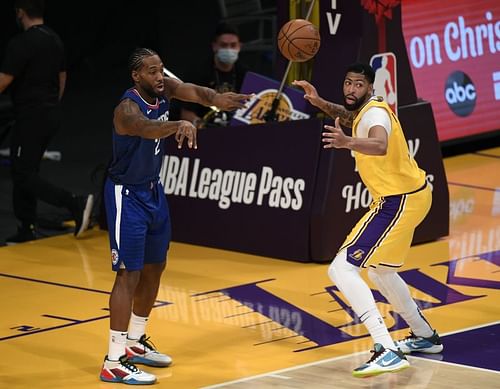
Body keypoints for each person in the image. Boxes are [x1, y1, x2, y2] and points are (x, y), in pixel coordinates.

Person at [99, 47, 251, 385]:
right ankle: (113, 359)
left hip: (153, 190)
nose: (159, 76)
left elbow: (194, 91)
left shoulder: (164, 86)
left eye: (161, 69)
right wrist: (177, 123)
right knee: (128, 275)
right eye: (152, 71)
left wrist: (218, 100)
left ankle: (136, 341)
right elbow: (144, 128)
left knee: (155, 267)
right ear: (136, 76)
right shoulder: (126, 109)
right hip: (127, 194)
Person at [293, 63, 443, 378]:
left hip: (398, 199)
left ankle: (385, 348)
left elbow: (379, 143)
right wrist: (319, 102)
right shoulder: (365, 109)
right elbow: (349, 115)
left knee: (341, 268)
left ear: (370, 87)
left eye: (358, 85)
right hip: (408, 195)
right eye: (348, 83)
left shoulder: (376, 115)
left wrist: (346, 142)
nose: (351, 90)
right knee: (381, 271)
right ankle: (424, 336)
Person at [0, 0, 94, 244]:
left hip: (31, 116)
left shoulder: (21, 43)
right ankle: (26, 227)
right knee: (26, 168)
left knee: (22, 173)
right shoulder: (54, 39)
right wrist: (51, 104)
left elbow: (3, 81)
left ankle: (74, 201)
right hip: (50, 113)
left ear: (20, 12)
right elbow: (62, 77)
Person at [178, 22, 248, 128]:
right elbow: (186, 113)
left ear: (240, 47)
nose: (229, 49)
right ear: (214, 46)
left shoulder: (245, 74)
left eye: (233, 45)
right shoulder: (198, 73)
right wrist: (201, 124)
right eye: (224, 45)